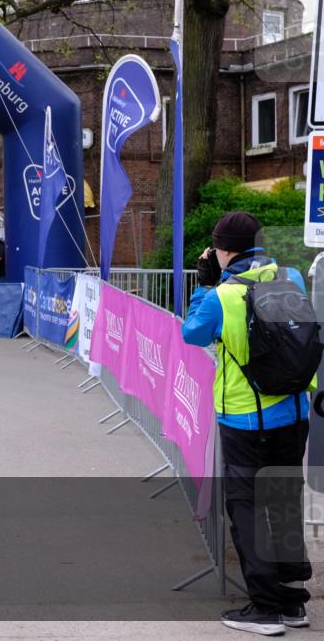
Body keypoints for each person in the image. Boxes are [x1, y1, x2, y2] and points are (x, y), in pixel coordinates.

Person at [182, 212, 314, 635]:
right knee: (284, 502)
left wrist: (205, 285)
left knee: (248, 508)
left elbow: (192, 334)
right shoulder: (292, 277)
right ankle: (293, 603)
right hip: (294, 411)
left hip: (244, 418)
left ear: (222, 250)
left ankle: (265, 609)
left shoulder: (221, 295)